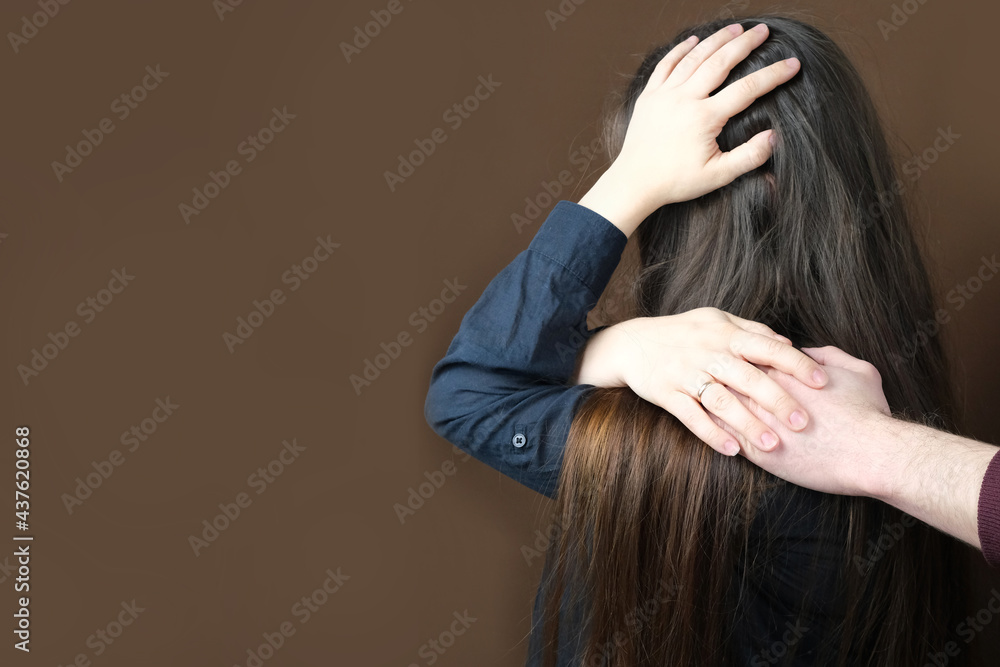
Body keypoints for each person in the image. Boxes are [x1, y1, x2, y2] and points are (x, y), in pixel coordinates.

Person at [424, 15, 972, 666]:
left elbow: (471, 390)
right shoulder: (900, 403)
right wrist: (626, 346)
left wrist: (629, 183)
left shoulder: (717, 431)